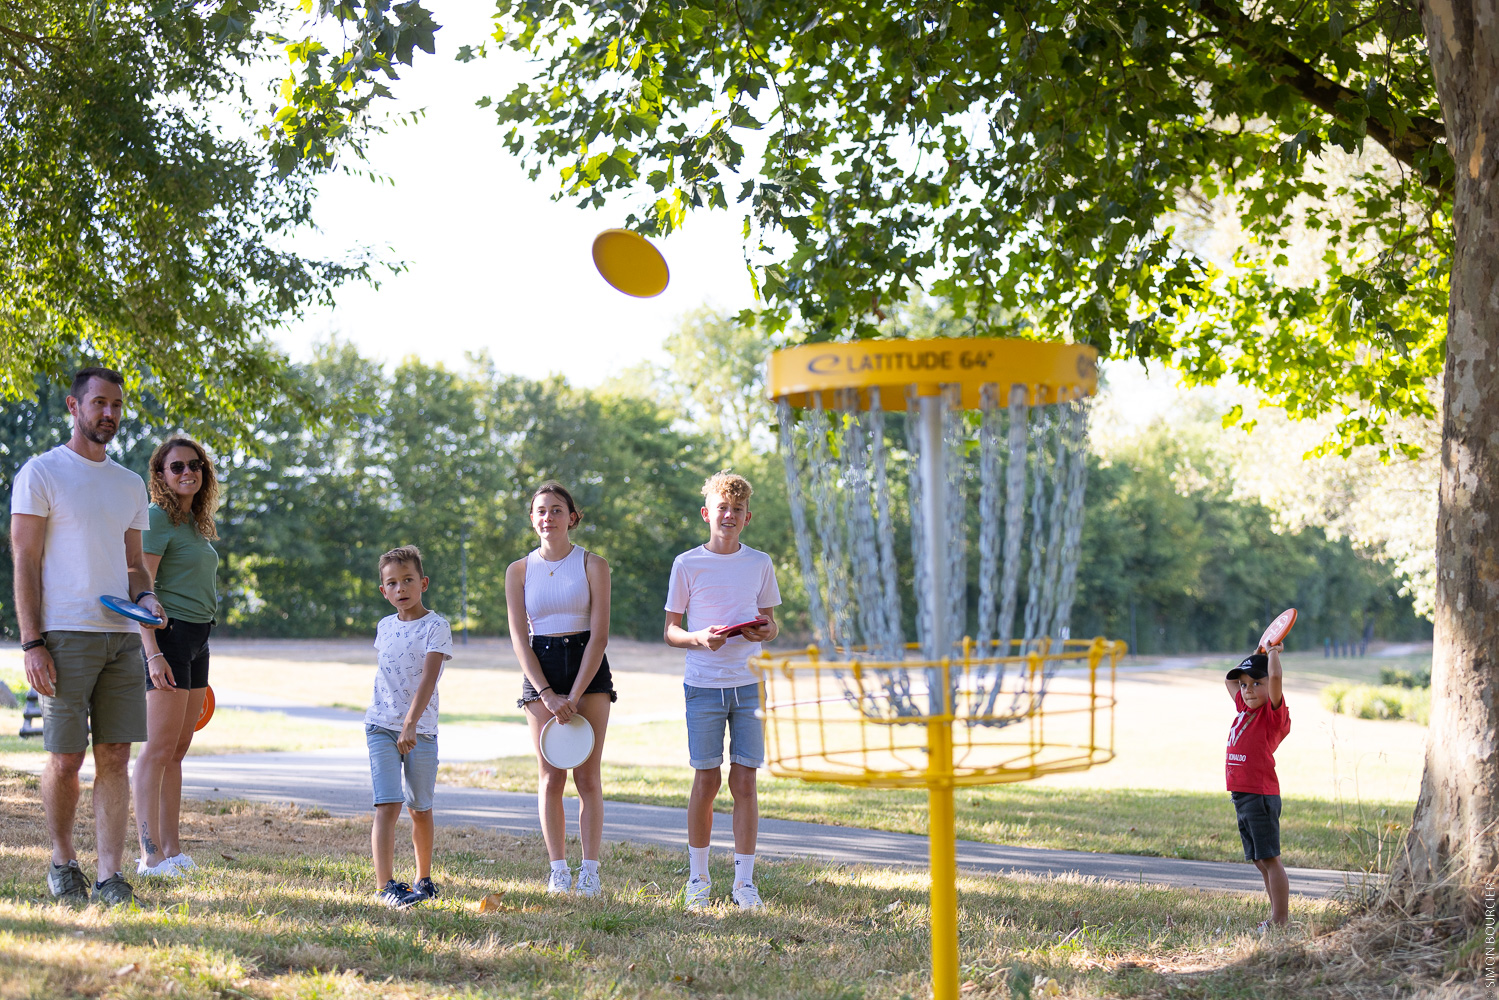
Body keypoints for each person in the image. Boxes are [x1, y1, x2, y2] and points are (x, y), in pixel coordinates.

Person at [10, 367, 165, 907]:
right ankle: (61, 862)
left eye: (117, 405)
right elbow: (24, 561)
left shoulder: (128, 483)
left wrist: (146, 600)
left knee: (116, 755)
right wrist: (32, 642)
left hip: (120, 634)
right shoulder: (41, 473)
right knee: (65, 758)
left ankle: (109, 874)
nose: (110, 414)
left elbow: (133, 566)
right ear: (74, 407)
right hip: (63, 635)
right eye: (99, 403)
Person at [663, 471, 781, 910]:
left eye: (736, 510)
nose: (728, 516)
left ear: (746, 518)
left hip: (750, 686)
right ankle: (698, 878)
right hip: (704, 686)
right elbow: (671, 631)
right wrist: (699, 638)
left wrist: (764, 631)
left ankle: (745, 883)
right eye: (721, 508)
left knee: (745, 782)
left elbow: (769, 622)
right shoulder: (687, 563)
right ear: (706, 512)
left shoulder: (760, 563)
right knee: (706, 780)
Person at [504, 481, 614, 897]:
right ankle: (558, 871)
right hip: (542, 667)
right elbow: (519, 638)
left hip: (588, 665)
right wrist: (547, 693)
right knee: (551, 776)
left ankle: (590, 871)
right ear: (532, 519)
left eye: (556, 510)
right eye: (540, 511)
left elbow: (600, 635)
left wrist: (575, 693)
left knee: (587, 776)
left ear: (572, 517)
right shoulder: (518, 570)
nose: (547, 517)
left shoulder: (593, 564)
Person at [130, 437, 221, 877]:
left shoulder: (193, 524)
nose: (188, 471)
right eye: (177, 466)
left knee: (178, 751)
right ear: (161, 475)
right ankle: (149, 856)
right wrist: (152, 653)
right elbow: (140, 591)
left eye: (195, 464)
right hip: (168, 637)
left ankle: (172, 851)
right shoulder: (156, 518)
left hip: (199, 638)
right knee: (157, 750)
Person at [366, 545, 452, 909]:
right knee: (388, 804)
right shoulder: (384, 627)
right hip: (380, 726)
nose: (401, 589)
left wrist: (411, 725)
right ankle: (386, 885)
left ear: (423, 583)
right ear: (383, 591)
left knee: (420, 807)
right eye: (392, 583)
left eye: (408, 580)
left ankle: (423, 879)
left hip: (420, 730)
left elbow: (428, 681)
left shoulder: (436, 627)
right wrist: (397, 724)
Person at [1224, 643, 1292, 928]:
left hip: (1260, 795)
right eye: (1245, 685)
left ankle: (1280, 920)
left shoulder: (1271, 715)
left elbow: (1275, 679)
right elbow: (1229, 680)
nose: (1248, 689)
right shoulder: (1245, 705)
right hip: (1242, 796)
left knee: (1270, 859)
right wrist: (1256, 656)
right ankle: (1274, 915)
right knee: (1259, 860)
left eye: (1255, 684)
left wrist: (1273, 654)